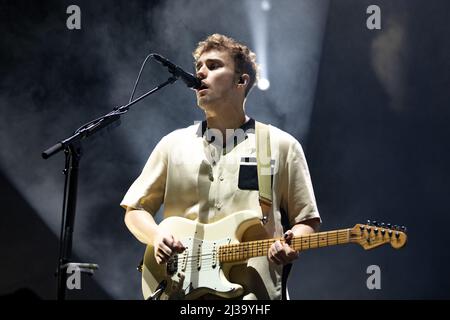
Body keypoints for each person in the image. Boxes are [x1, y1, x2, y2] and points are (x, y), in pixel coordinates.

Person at [120, 33, 321, 300]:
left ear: (241, 80)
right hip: (178, 291)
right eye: (199, 67)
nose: (201, 73)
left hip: (252, 296)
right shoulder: (172, 144)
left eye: (214, 66)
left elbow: (306, 219)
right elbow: (135, 210)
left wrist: (291, 243)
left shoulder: (281, 145)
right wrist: (156, 236)